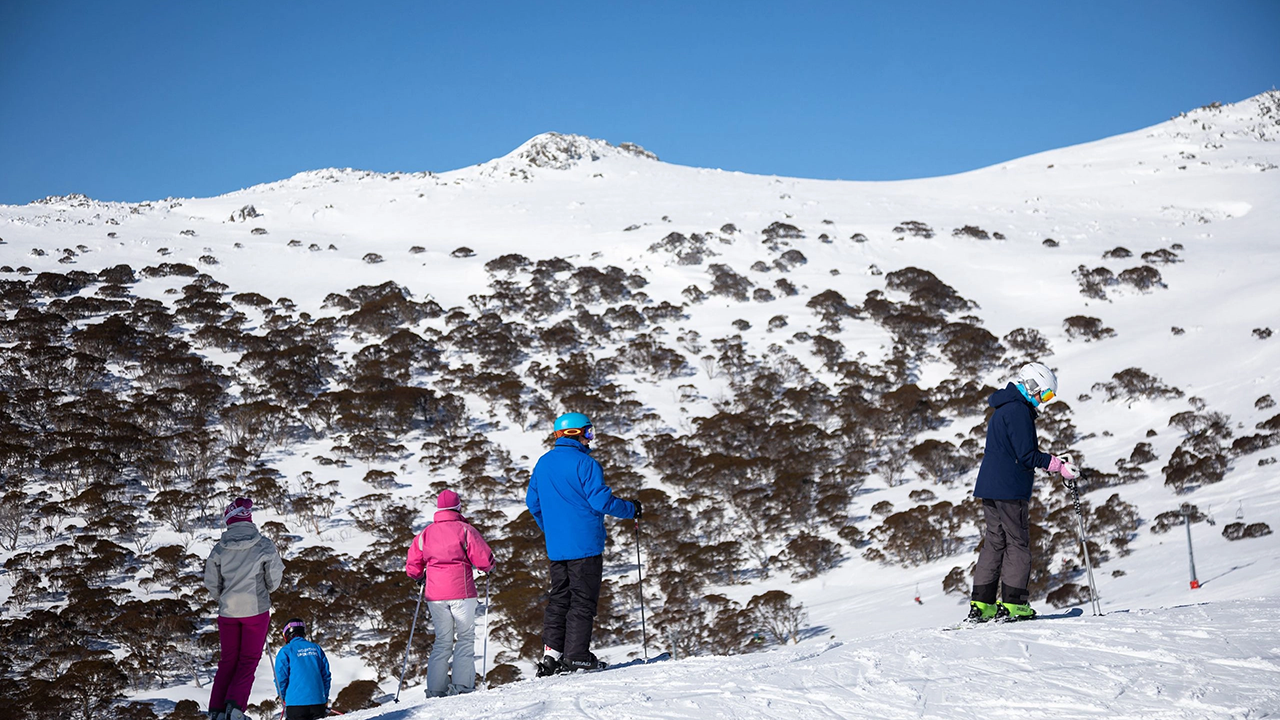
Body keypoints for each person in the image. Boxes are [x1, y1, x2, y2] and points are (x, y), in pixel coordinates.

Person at [526, 412, 640, 675]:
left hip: (557, 547)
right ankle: (577, 656)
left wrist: (551, 529)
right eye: (588, 432)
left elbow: (533, 503)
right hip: (585, 545)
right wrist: (631, 509)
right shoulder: (586, 464)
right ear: (573, 433)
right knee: (582, 600)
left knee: (559, 598)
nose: (591, 438)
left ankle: (551, 655)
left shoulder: (543, 463)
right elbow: (601, 502)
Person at [968, 362, 1077, 622]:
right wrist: (1057, 465)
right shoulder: (1019, 411)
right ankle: (1014, 605)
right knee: (1017, 543)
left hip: (989, 487)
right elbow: (1026, 456)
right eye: (1046, 394)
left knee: (994, 542)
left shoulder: (1003, 408)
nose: (1045, 401)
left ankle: (982, 605)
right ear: (1031, 385)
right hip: (1010, 487)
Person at [405, 489, 496, 697]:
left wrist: (419, 576)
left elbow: (412, 565)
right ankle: (462, 687)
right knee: (464, 638)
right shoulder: (465, 530)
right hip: (462, 591)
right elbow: (484, 559)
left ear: (438, 508)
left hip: (435, 596)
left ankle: (436, 690)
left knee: (442, 641)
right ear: (458, 507)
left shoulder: (425, 534)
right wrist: (489, 568)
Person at [204, 497, 285, 720]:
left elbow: (211, 582)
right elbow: (274, 579)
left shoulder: (219, 549)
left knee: (228, 660)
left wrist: (224, 598)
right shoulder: (264, 544)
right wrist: (265, 589)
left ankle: (216, 711)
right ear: (248, 520)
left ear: (229, 521)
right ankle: (235, 710)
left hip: (228, 612)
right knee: (248, 660)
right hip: (255, 611)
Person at [273, 619, 332, 720]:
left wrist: (281, 696)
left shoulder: (286, 651)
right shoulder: (316, 648)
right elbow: (326, 676)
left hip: (295, 704)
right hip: (318, 702)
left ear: (287, 634)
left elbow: (280, 678)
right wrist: (324, 697)